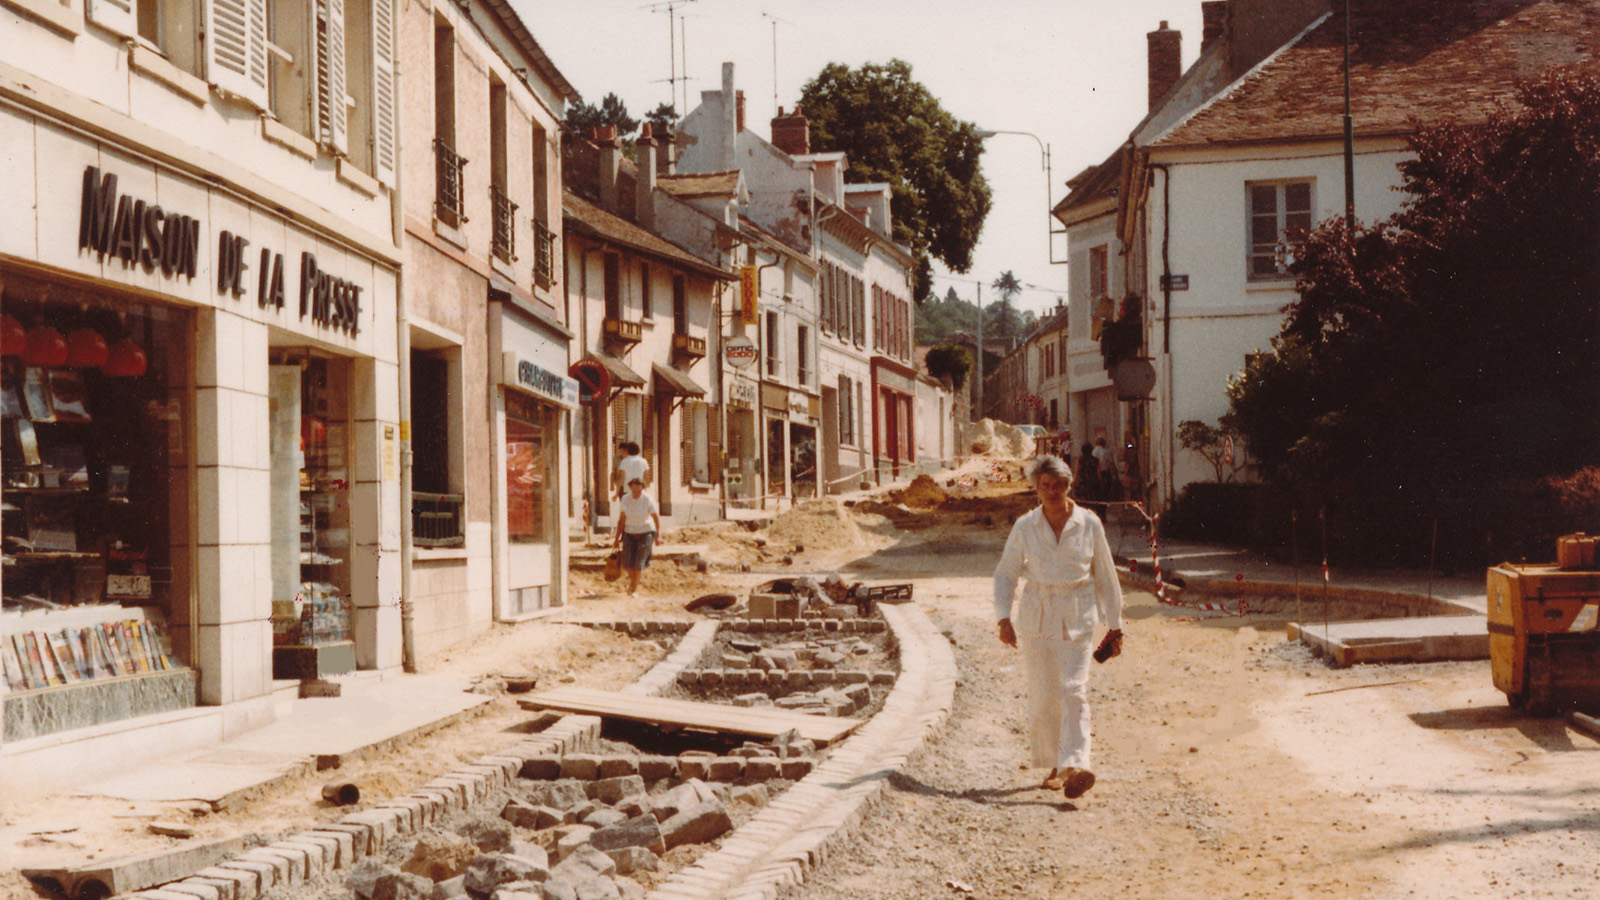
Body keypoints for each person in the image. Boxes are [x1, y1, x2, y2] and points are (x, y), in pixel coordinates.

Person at [994, 455, 1124, 800]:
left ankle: (1076, 766)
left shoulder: (1089, 523)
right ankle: (1055, 765)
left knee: (1073, 689)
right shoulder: (1025, 526)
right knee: (1045, 693)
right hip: (1037, 617)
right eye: (1045, 486)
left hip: (1078, 617)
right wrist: (1003, 617)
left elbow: (1107, 577)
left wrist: (1116, 626)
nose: (1052, 492)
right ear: (1036, 489)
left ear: (1070, 486)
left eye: (1059, 485)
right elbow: (1006, 573)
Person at [614, 477, 660, 597]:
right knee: (627, 563)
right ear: (630, 489)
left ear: (642, 489)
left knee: (638, 562)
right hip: (629, 532)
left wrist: (658, 536)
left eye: (638, 492)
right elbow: (622, 519)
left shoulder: (648, 500)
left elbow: (656, 518)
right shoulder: (625, 499)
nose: (636, 494)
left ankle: (634, 589)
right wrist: (616, 538)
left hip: (645, 532)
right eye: (634, 491)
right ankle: (633, 582)